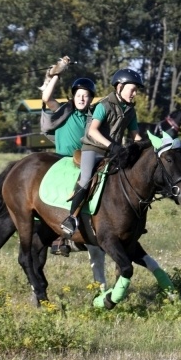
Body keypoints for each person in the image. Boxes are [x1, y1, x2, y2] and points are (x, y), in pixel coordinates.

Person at [60, 68, 144, 238]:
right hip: (93, 149)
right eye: (132, 89)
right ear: (119, 87)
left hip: (113, 153)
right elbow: (93, 131)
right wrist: (112, 146)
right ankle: (71, 218)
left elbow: (136, 136)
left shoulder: (130, 110)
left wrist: (148, 148)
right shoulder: (103, 105)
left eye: (136, 90)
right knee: (85, 179)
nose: (135, 94)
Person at [41, 70, 97, 255]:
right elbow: (46, 97)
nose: (81, 99)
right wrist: (56, 75)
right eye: (78, 95)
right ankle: (60, 236)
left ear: (90, 99)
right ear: (73, 97)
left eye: (85, 96)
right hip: (61, 161)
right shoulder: (63, 111)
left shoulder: (93, 119)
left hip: (82, 161)